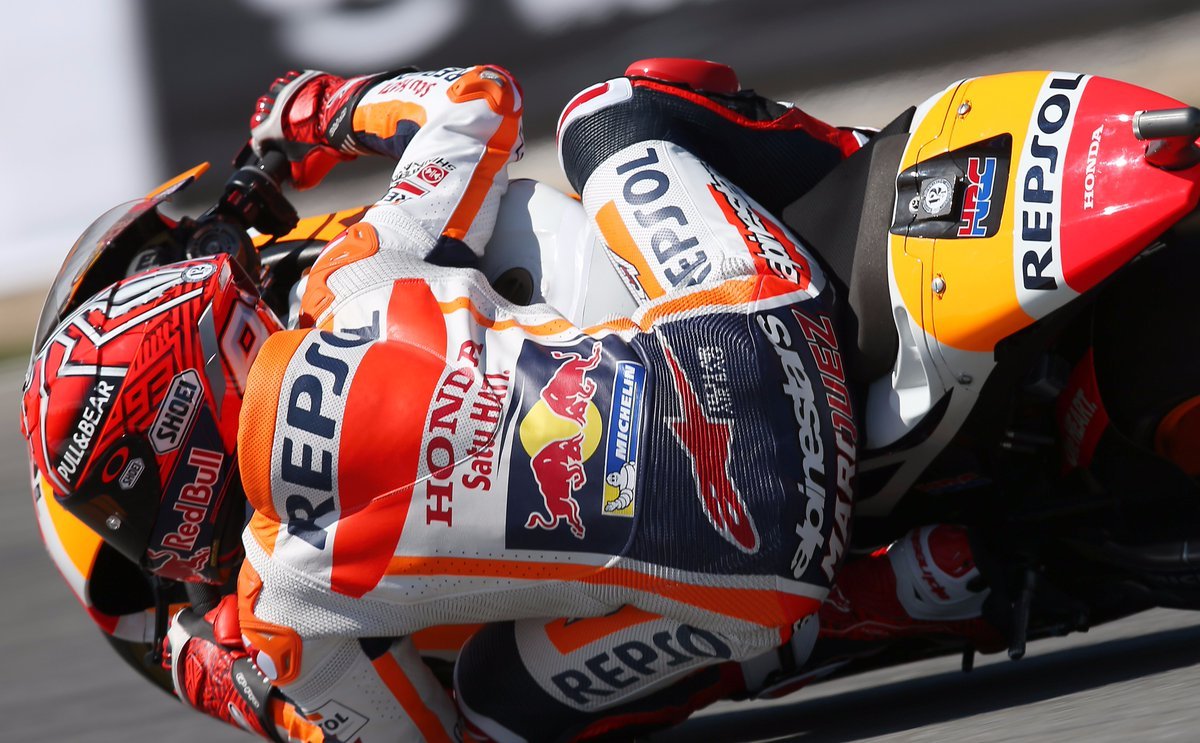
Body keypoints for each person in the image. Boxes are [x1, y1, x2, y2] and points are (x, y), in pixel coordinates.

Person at [23, 60, 999, 742]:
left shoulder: (280, 603)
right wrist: (322, 111)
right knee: (611, 112)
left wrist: (247, 683)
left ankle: (881, 597)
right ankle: (885, 174)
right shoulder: (352, 276)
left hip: (771, 572)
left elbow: (410, 740)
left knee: (491, 715)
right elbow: (478, 100)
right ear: (213, 338)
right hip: (772, 337)